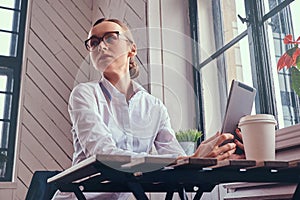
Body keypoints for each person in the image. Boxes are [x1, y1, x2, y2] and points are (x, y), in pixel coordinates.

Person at [52, 18, 244, 200]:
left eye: (110, 37)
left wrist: (215, 153)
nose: (101, 46)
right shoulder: (84, 94)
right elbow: (104, 155)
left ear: (132, 49)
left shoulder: (155, 107)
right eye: (93, 43)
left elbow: (174, 157)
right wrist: (188, 159)